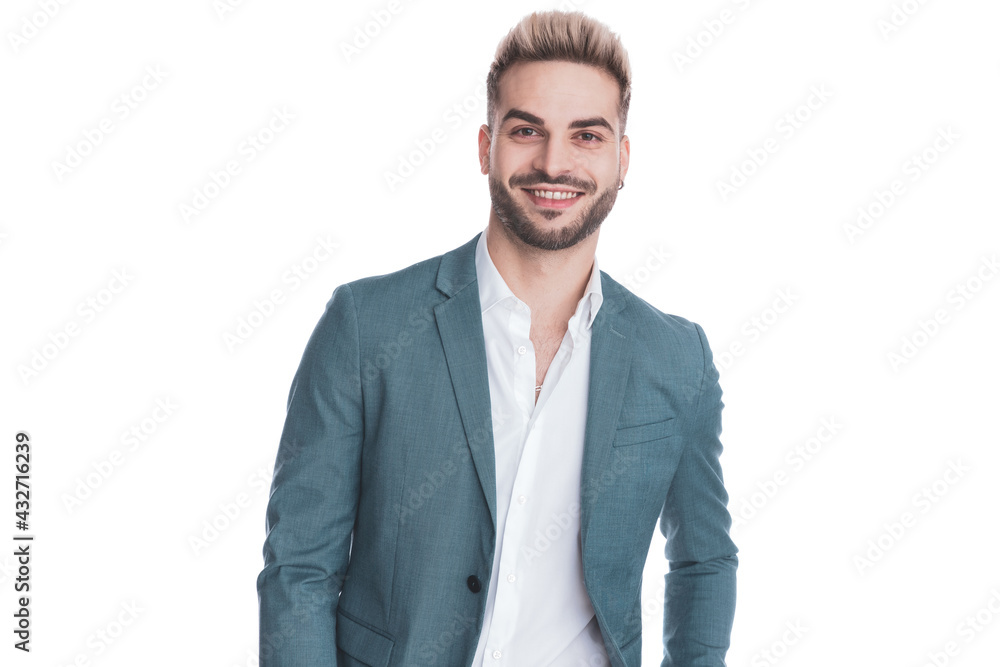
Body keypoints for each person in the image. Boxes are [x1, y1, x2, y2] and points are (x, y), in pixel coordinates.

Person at [257, 10, 737, 667]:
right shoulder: (366, 325)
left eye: (587, 136)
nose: (554, 161)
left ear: (622, 159)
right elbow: (300, 568)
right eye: (526, 131)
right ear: (486, 146)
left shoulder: (677, 358)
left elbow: (704, 558)